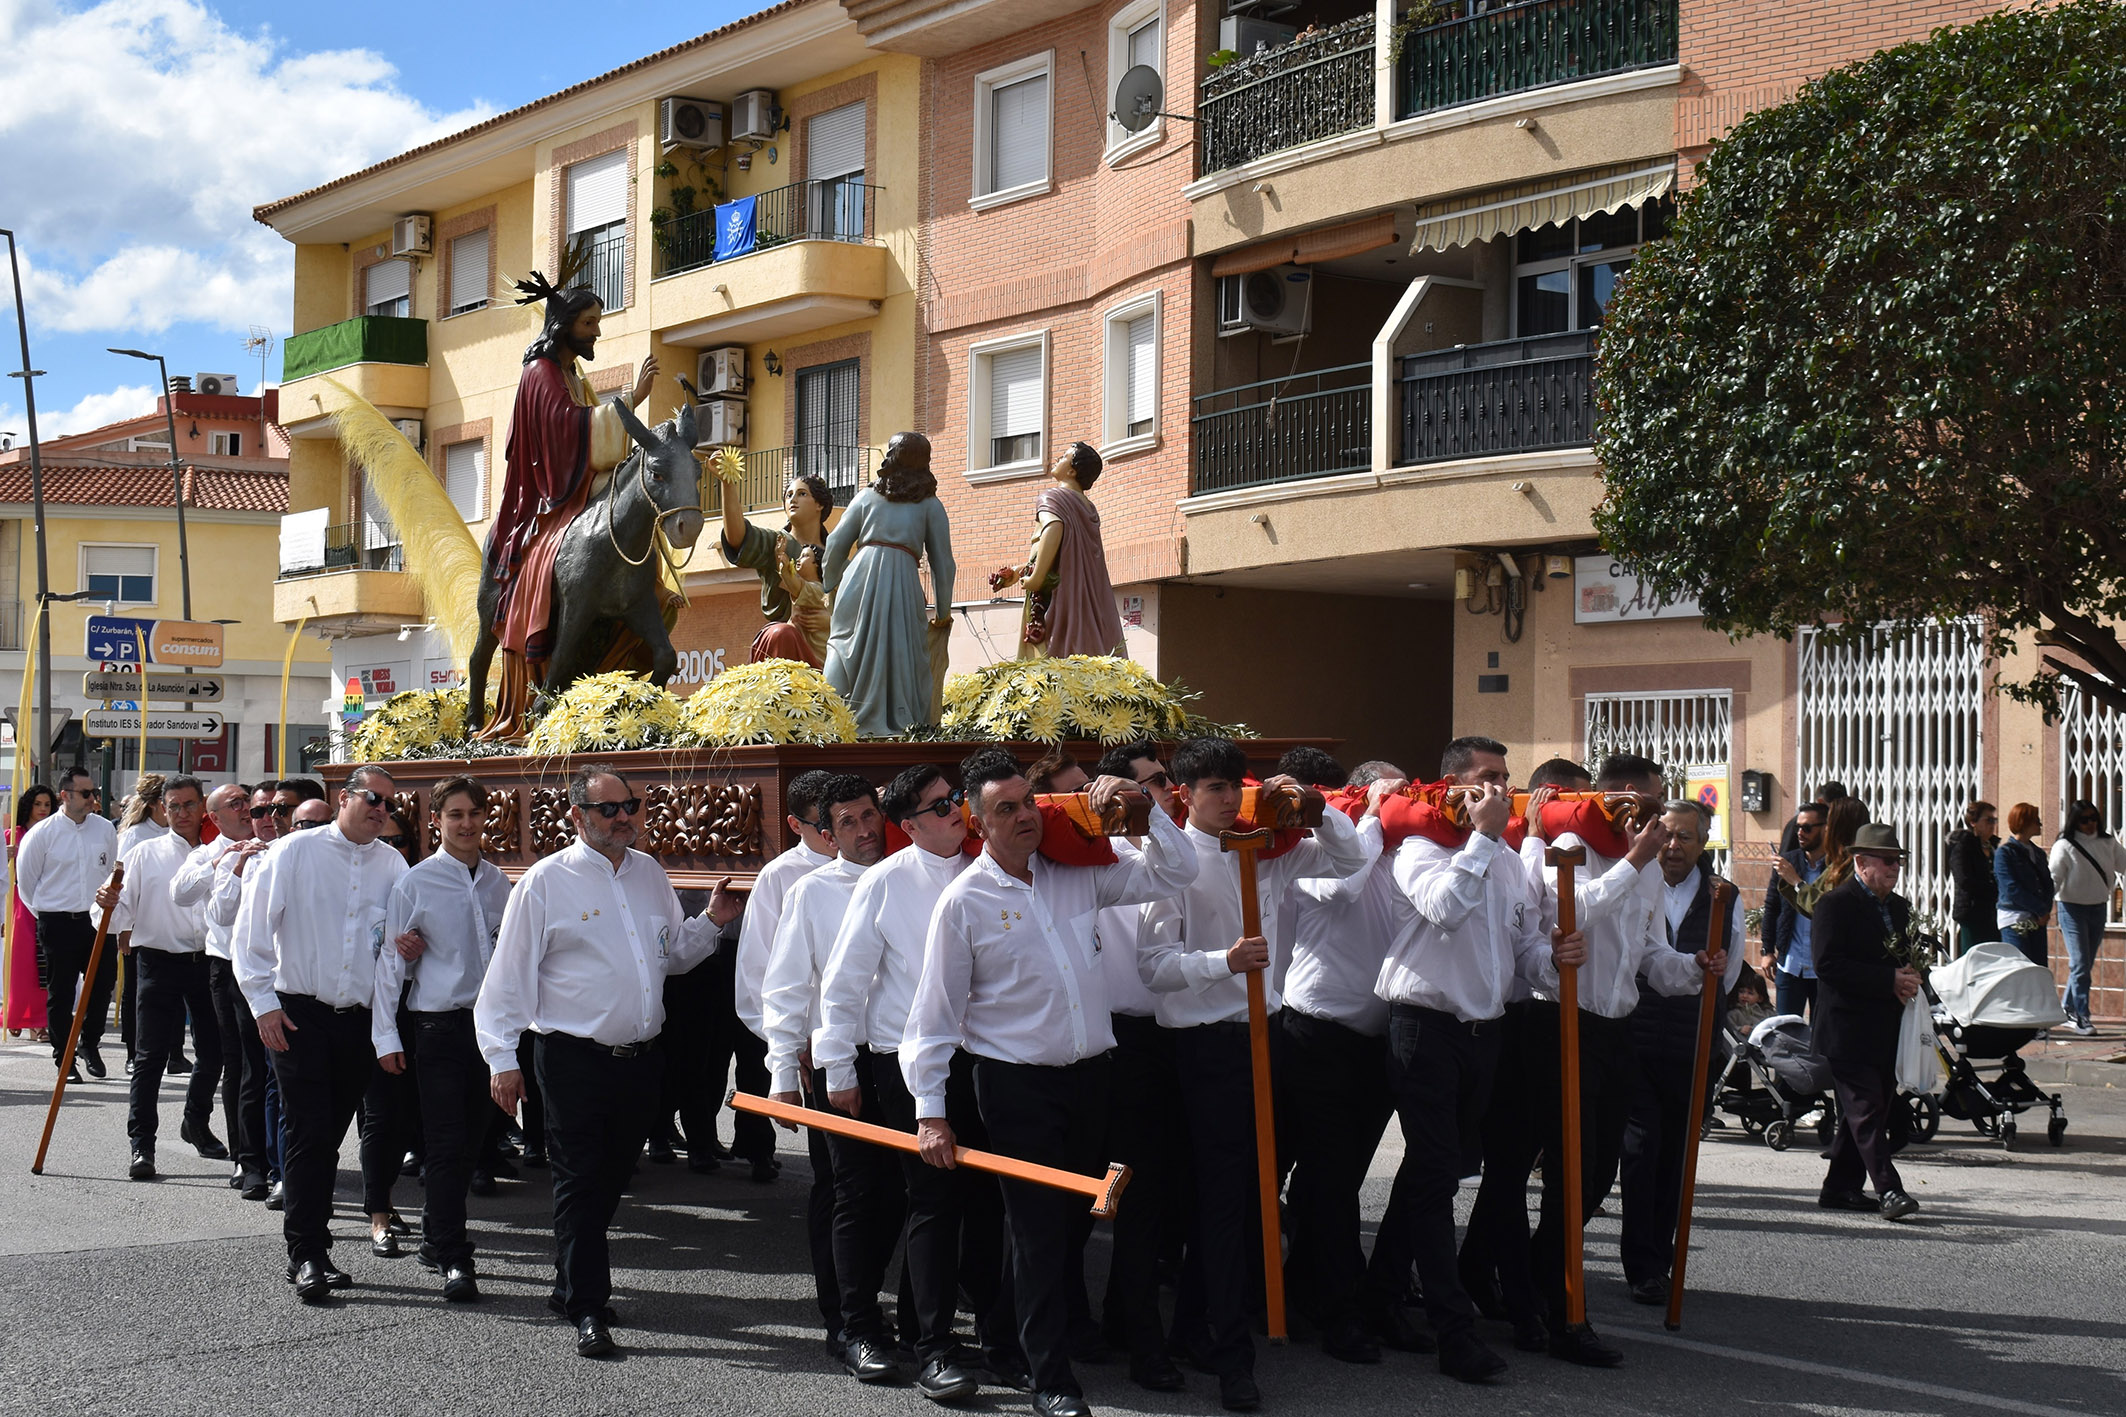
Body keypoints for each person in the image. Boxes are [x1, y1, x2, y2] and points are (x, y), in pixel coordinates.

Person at [906, 749, 1198, 1417]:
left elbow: (1177, 870)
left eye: (1027, 803)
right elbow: (934, 1015)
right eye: (1003, 808)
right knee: (1038, 1230)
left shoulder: (1077, 872)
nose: (1021, 817)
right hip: (1015, 1086)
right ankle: (1051, 1377)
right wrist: (930, 1111)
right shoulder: (964, 900)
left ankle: (1007, 1336)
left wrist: (1149, 811)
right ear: (978, 824)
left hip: (1091, 1078)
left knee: (1064, 1230)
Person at [1138, 738, 1374, 1410]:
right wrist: (1224, 961)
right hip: (1207, 1043)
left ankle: (1198, 1327)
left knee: (1248, 1188)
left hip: (1266, 1037)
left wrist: (1314, 807)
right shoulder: (1175, 864)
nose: (1224, 798)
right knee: (1223, 1193)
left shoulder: (1266, 845)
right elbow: (1153, 965)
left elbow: (1350, 858)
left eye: (1230, 785)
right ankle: (1228, 1347)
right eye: (1209, 786)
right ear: (1183, 792)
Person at [474, 764, 733, 1357]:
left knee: (612, 1179)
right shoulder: (544, 882)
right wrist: (501, 1059)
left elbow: (669, 957)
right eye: (609, 809)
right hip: (571, 1059)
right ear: (577, 817)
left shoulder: (648, 874)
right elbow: (506, 979)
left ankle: (568, 1285)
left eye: (630, 806)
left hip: (640, 1061)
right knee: (580, 1180)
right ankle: (590, 1303)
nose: (624, 818)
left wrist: (711, 924)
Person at [1365, 736, 1586, 1386]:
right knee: (1435, 1177)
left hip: (1482, 1034)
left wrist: (1555, 959)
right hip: (1424, 1026)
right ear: (1454, 785)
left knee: (1430, 1174)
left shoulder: (1511, 860)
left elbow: (1519, 947)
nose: (1502, 788)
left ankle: (1379, 1298)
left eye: (1505, 777)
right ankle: (1452, 1328)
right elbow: (1444, 907)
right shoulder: (1422, 845)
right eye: (1488, 778)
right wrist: (1485, 839)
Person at [815, 763, 1007, 1401]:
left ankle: (993, 1337)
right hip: (905, 1063)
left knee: (983, 1205)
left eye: (956, 797)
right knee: (927, 1201)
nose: (955, 809)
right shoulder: (886, 883)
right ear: (909, 826)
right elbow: (842, 984)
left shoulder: (994, 868)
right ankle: (928, 1346)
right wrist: (839, 1068)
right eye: (938, 805)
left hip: (985, 1060)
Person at [1523, 759, 1723, 1369]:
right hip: (1558, 1025)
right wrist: (1634, 860)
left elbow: (1651, 956)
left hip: (1615, 1030)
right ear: (1612, 800)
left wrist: (1693, 969)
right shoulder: (1568, 845)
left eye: (1663, 807)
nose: (1659, 823)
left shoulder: (1647, 877)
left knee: (1596, 1176)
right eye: (1649, 805)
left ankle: (1529, 1286)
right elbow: (1571, 914)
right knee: (1565, 1174)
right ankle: (1559, 1313)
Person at [233, 766, 409, 1302]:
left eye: (389, 803)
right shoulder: (293, 853)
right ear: (343, 798)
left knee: (330, 1136)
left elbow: (392, 955)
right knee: (308, 1133)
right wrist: (263, 1006)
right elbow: (252, 934)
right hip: (298, 1014)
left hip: (358, 1020)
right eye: (372, 798)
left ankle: (311, 1242)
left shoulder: (394, 864)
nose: (382, 809)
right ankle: (308, 1251)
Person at [761, 773, 909, 1384]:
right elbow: (788, 985)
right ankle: (852, 1324)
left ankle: (876, 1304)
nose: (865, 829)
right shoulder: (812, 892)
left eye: (869, 815)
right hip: (840, 1065)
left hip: (904, 1061)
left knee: (902, 1195)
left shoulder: (911, 878)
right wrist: (782, 1075)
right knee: (853, 1194)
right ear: (826, 835)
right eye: (847, 822)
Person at [476, 271, 659, 738]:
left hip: (575, 478)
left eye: (598, 322)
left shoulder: (568, 372)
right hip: (545, 494)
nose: (597, 331)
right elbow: (564, 430)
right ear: (565, 326)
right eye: (589, 323)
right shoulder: (541, 372)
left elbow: (582, 428)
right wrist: (632, 400)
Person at [1275, 753, 1410, 1368]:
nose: (1404, 805)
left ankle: (1305, 1288)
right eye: (1392, 795)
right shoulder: (1316, 852)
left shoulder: (1404, 856)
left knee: (1340, 1177)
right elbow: (1343, 884)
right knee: (1329, 1179)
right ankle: (1335, 1309)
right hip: (1315, 1034)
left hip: (1374, 1040)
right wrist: (1374, 818)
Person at [1460, 755, 1583, 1350]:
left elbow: (1530, 936)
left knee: (1512, 1168)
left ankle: (1480, 1269)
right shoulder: (1503, 846)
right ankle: (1515, 1295)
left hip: (1530, 1015)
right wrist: (1531, 840)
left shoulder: (1518, 853)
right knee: (1497, 1169)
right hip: (1493, 1020)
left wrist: (1554, 961)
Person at [374, 776, 513, 1301]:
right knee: (448, 1142)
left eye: (474, 814)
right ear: (437, 821)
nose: (466, 824)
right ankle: (453, 1251)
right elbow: (391, 963)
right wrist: (386, 1036)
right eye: (455, 815)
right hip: (437, 1027)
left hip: (489, 1028)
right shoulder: (417, 882)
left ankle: (437, 1235)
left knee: (476, 1141)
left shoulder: (499, 883)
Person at [1089, 740, 1190, 1393]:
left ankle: (1129, 1321)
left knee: (1159, 1194)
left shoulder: (1164, 843)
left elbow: (1179, 863)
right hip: (1112, 1038)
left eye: (1164, 783)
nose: (1162, 795)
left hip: (1172, 1034)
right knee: (1121, 1195)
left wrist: (1154, 814)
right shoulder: (1096, 855)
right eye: (1147, 785)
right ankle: (1130, 1333)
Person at [1617, 800, 1744, 1309]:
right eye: (1664, 834)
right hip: (1637, 1040)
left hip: (1692, 1045)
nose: (1673, 846)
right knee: (1640, 1150)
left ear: (1702, 843)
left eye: (1685, 837)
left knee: (1675, 1155)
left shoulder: (1722, 898)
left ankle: (1660, 1260)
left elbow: (1728, 974)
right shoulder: (1636, 881)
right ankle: (1641, 1264)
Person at [736, 769, 839, 1346]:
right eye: (827, 821)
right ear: (798, 823)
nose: (839, 831)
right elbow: (759, 981)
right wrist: (789, 1048)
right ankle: (840, 1306)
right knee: (836, 1183)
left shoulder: (879, 861)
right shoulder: (783, 878)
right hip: (815, 1052)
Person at [100, 775, 223, 1181]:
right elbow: (116, 915)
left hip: (208, 962)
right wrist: (107, 902)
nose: (182, 814)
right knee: (150, 1057)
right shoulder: (143, 854)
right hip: (157, 959)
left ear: (202, 806)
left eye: (189, 805)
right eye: (174, 806)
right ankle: (142, 1146)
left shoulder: (219, 850)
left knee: (214, 1051)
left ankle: (196, 1122)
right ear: (162, 809)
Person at [1811, 824, 1923, 1222]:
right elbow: (1827, 965)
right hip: (1846, 1028)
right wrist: (1887, 980)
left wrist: (1911, 975)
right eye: (1888, 861)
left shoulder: (1900, 908)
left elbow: (1904, 957)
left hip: (1885, 1026)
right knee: (1865, 1109)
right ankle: (1889, 1189)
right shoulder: (1835, 905)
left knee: (1869, 1110)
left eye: (1899, 861)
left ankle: (1839, 1187)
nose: (1895, 868)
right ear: (1861, 861)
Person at [821, 431, 956, 737]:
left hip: (859, 577)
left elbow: (835, 544)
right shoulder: (930, 505)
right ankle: (899, 725)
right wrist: (943, 613)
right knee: (904, 652)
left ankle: (831, 723)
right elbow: (943, 564)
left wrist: (829, 584)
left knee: (844, 646)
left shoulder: (867, 496)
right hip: (904, 583)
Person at [172, 783, 271, 1195]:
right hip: (228, 968)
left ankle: (275, 1151)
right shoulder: (207, 853)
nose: (247, 808)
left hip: (273, 968)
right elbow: (182, 894)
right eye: (236, 804)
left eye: (249, 800)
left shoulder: (273, 843)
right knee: (240, 1063)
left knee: (273, 1067)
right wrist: (224, 863)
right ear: (214, 817)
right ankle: (243, 1155)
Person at [17, 767, 119, 1081]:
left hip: (96, 922)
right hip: (57, 922)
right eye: (86, 793)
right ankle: (64, 1056)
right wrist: (47, 917)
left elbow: (111, 872)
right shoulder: (42, 833)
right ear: (66, 795)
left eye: (94, 793)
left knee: (102, 988)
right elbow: (27, 883)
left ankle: (89, 1043)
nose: (93, 799)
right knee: (60, 993)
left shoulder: (104, 829)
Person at [987, 442, 1127, 660]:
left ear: (1072, 471)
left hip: (1053, 597)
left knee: (1045, 660)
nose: (1058, 459)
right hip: (1082, 597)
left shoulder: (1051, 498)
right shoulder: (1089, 508)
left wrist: (1036, 578)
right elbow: (1064, 557)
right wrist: (1019, 571)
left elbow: (1053, 529)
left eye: (1064, 456)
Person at [359, 805, 424, 1256]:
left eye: (402, 841)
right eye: (389, 840)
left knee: (407, 1116)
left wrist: (416, 949)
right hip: (373, 1005)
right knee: (379, 1115)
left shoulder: (420, 880)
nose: (394, 848)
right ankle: (377, 1213)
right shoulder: (368, 875)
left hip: (422, 1008)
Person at [722, 469, 840, 667]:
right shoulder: (777, 543)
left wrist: (831, 623)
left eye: (802, 494)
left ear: (819, 504)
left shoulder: (837, 557)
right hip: (784, 646)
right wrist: (727, 483)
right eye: (788, 495)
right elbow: (737, 538)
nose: (793, 499)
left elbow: (858, 614)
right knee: (782, 633)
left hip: (828, 651)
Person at [2048, 800, 2122, 1036]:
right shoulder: (2065, 845)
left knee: (2085, 964)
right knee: (2080, 963)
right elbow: (2054, 878)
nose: (2090, 824)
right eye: (2084, 819)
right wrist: (2042, 905)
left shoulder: (2107, 842)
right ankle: (2081, 1016)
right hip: (2071, 909)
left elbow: (2123, 863)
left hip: (2098, 907)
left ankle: (2068, 1008)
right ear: (2074, 821)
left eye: (2093, 818)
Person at [1763, 801, 1830, 1017]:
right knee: (1786, 1032)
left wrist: (1796, 880)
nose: (1800, 833)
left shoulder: (1836, 869)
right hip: (1791, 965)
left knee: (1822, 1037)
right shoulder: (1788, 862)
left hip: (1823, 969)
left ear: (1826, 829)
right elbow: (1772, 906)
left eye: (1808, 828)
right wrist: (1767, 950)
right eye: (1798, 827)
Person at [5, 782, 56, 1040]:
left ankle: (39, 1022)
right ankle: (17, 1014)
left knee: (44, 965)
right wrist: (6, 855)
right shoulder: (13, 835)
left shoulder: (55, 833)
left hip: (48, 901)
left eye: (47, 804)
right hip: (20, 903)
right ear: (28, 806)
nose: (43, 809)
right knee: (22, 964)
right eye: (38, 804)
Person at [1993, 803, 2054, 968]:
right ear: (2024, 822)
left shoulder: (2038, 853)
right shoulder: (2005, 853)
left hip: (2036, 919)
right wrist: (2040, 909)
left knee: (2038, 967)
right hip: (2014, 917)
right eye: (2036, 821)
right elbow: (2010, 888)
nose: (2040, 824)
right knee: (2020, 967)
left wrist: (2044, 911)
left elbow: (2047, 883)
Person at [1947, 802, 2001, 955]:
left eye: (1994, 821)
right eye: (1988, 820)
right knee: (1974, 957)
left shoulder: (1993, 847)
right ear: (1973, 822)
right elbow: (1964, 880)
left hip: (1993, 911)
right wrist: (1992, 890)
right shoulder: (1963, 846)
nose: (1992, 825)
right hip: (1972, 911)